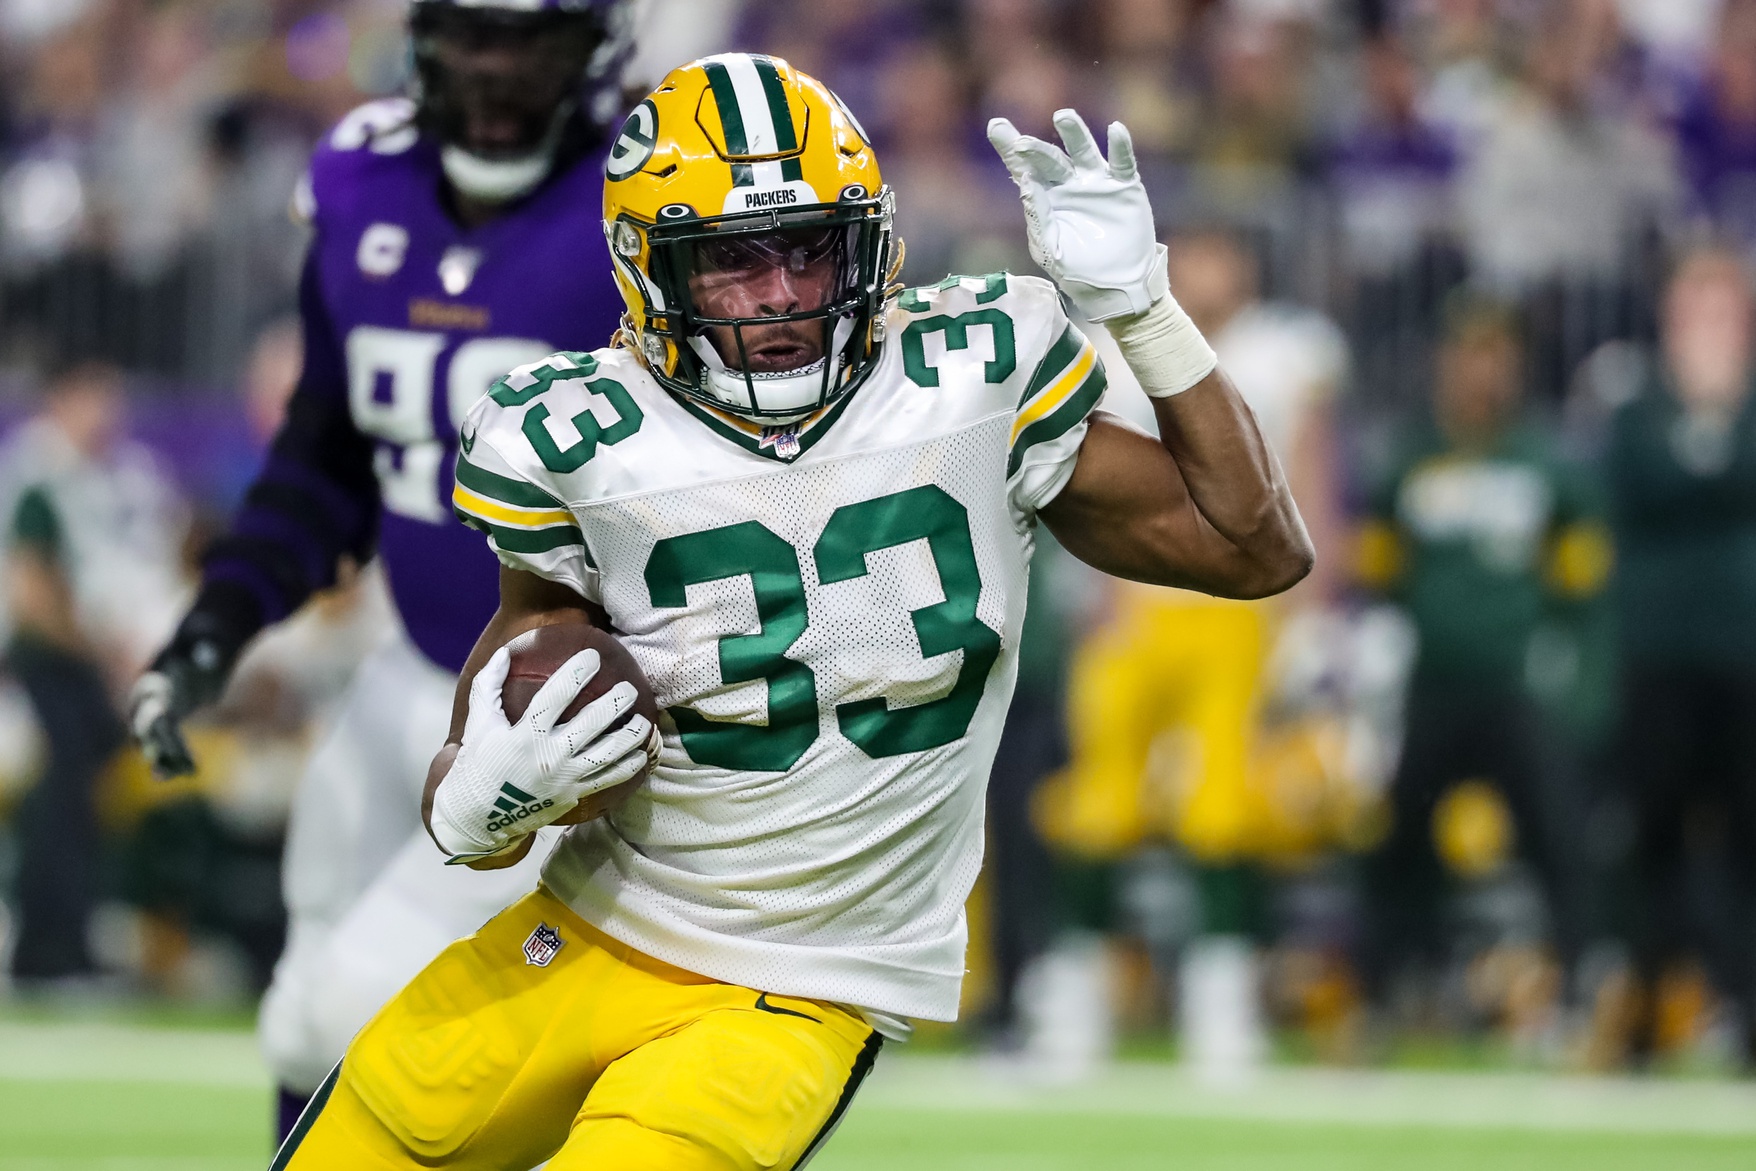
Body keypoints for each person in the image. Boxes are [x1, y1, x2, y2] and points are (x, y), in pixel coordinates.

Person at [272, 53, 1311, 1168]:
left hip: (800, 985)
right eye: (730, 261)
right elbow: (522, 675)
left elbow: (1253, 546)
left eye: (808, 249)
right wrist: (474, 801)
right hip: (582, 930)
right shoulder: (573, 435)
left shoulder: (972, 374)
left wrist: (1142, 311)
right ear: (647, 269)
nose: (779, 296)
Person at [125, 0, 639, 1139]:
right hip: (408, 668)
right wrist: (215, 626)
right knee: (303, 1017)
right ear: (423, 40)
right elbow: (326, 461)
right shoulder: (364, 182)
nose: (496, 75)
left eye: (531, 44)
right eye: (473, 38)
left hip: (555, 697)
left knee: (374, 1011)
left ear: (592, 55)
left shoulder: (638, 206)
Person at [1354, 297, 1606, 1025]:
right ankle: (1394, 985)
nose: (1481, 370)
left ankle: (1582, 981)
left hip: (1516, 685)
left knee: (1557, 831)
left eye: (1495, 354)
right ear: (1444, 362)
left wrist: (1570, 679)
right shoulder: (1408, 456)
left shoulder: (1547, 463)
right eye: (1469, 353)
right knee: (1398, 835)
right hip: (1432, 683)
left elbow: (1581, 582)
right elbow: (1378, 570)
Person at [1606, 247, 1756, 1069]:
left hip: (1742, 654)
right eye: (1695, 312)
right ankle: (1641, 1017)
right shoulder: (1637, 409)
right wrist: (1714, 447)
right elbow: (1641, 484)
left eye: (1721, 313)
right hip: (1659, 654)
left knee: (1745, 843)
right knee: (1652, 839)